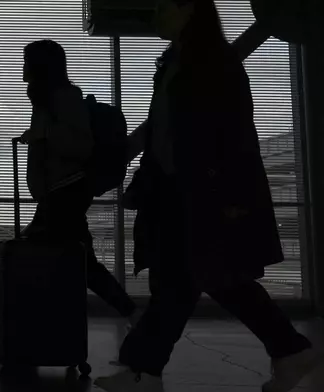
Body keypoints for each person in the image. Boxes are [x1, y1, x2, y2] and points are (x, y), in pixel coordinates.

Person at [94, 1, 320, 391]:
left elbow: (234, 134)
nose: (155, 12)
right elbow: (163, 128)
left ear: (187, 8)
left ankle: (144, 371)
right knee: (196, 281)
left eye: (163, 5)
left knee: (193, 281)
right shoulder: (177, 63)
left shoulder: (212, 63)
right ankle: (289, 350)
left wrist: (232, 194)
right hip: (177, 192)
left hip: (199, 192)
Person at [0, 39, 140, 358]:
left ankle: (13, 334)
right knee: (79, 263)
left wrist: (43, 134)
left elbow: (80, 146)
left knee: (19, 262)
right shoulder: (45, 99)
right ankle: (130, 313)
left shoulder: (64, 98)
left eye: (27, 60)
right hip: (58, 193)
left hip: (67, 191)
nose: (22, 66)